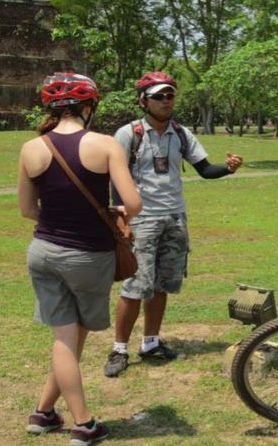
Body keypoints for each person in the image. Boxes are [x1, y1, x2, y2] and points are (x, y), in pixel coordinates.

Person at [18, 73, 142, 445]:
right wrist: (114, 211)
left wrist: (57, 223)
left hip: (42, 253)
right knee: (69, 340)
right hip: (88, 256)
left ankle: (42, 412)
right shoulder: (105, 145)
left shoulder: (31, 147)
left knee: (65, 337)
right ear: (88, 107)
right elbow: (134, 203)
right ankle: (84, 425)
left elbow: (27, 209)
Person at [104, 72, 243, 377]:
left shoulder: (181, 133)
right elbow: (116, 176)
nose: (167, 101)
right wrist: (121, 216)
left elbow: (204, 170)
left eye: (170, 96)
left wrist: (229, 169)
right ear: (143, 101)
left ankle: (151, 343)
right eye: (159, 96)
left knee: (162, 284)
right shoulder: (128, 134)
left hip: (175, 218)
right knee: (134, 286)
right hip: (141, 220)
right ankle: (119, 349)